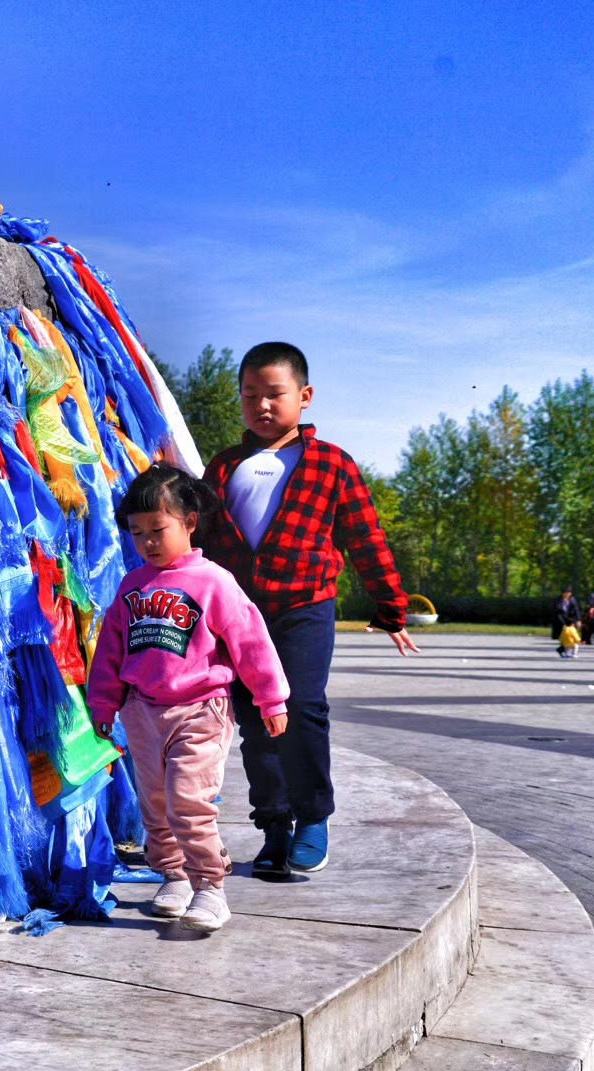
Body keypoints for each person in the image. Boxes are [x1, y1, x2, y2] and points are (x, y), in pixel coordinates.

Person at [199, 342, 415, 880]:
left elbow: (366, 538)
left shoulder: (331, 464)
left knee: (301, 709)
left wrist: (391, 605)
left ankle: (313, 818)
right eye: (250, 395)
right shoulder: (224, 466)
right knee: (256, 721)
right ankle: (274, 827)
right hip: (239, 616)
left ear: (305, 396)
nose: (261, 405)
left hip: (305, 607)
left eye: (274, 394)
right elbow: (195, 535)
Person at [87, 465, 291, 933]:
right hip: (142, 711)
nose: (148, 542)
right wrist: (104, 704)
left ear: (189, 522)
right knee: (156, 804)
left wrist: (271, 699)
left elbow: (251, 641)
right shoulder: (132, 585)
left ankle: (210, 886)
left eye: (158, 530)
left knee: (187, 800)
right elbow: (111, 650)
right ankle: (174, 876)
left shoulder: (213, 581)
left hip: (201, 709)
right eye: (137, 533)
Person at [553, 588, 579, 652]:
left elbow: (576, 610)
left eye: (568, 593)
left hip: (570, 620)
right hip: (560, 619)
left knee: (571, 635)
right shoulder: (558, 599)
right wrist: (563, 623)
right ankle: (563, 649)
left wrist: (579, 620)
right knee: (563, 636)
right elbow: (557, 610)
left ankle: (565, 649)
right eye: (565, 593)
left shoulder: (572, 600)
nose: (567, 594)